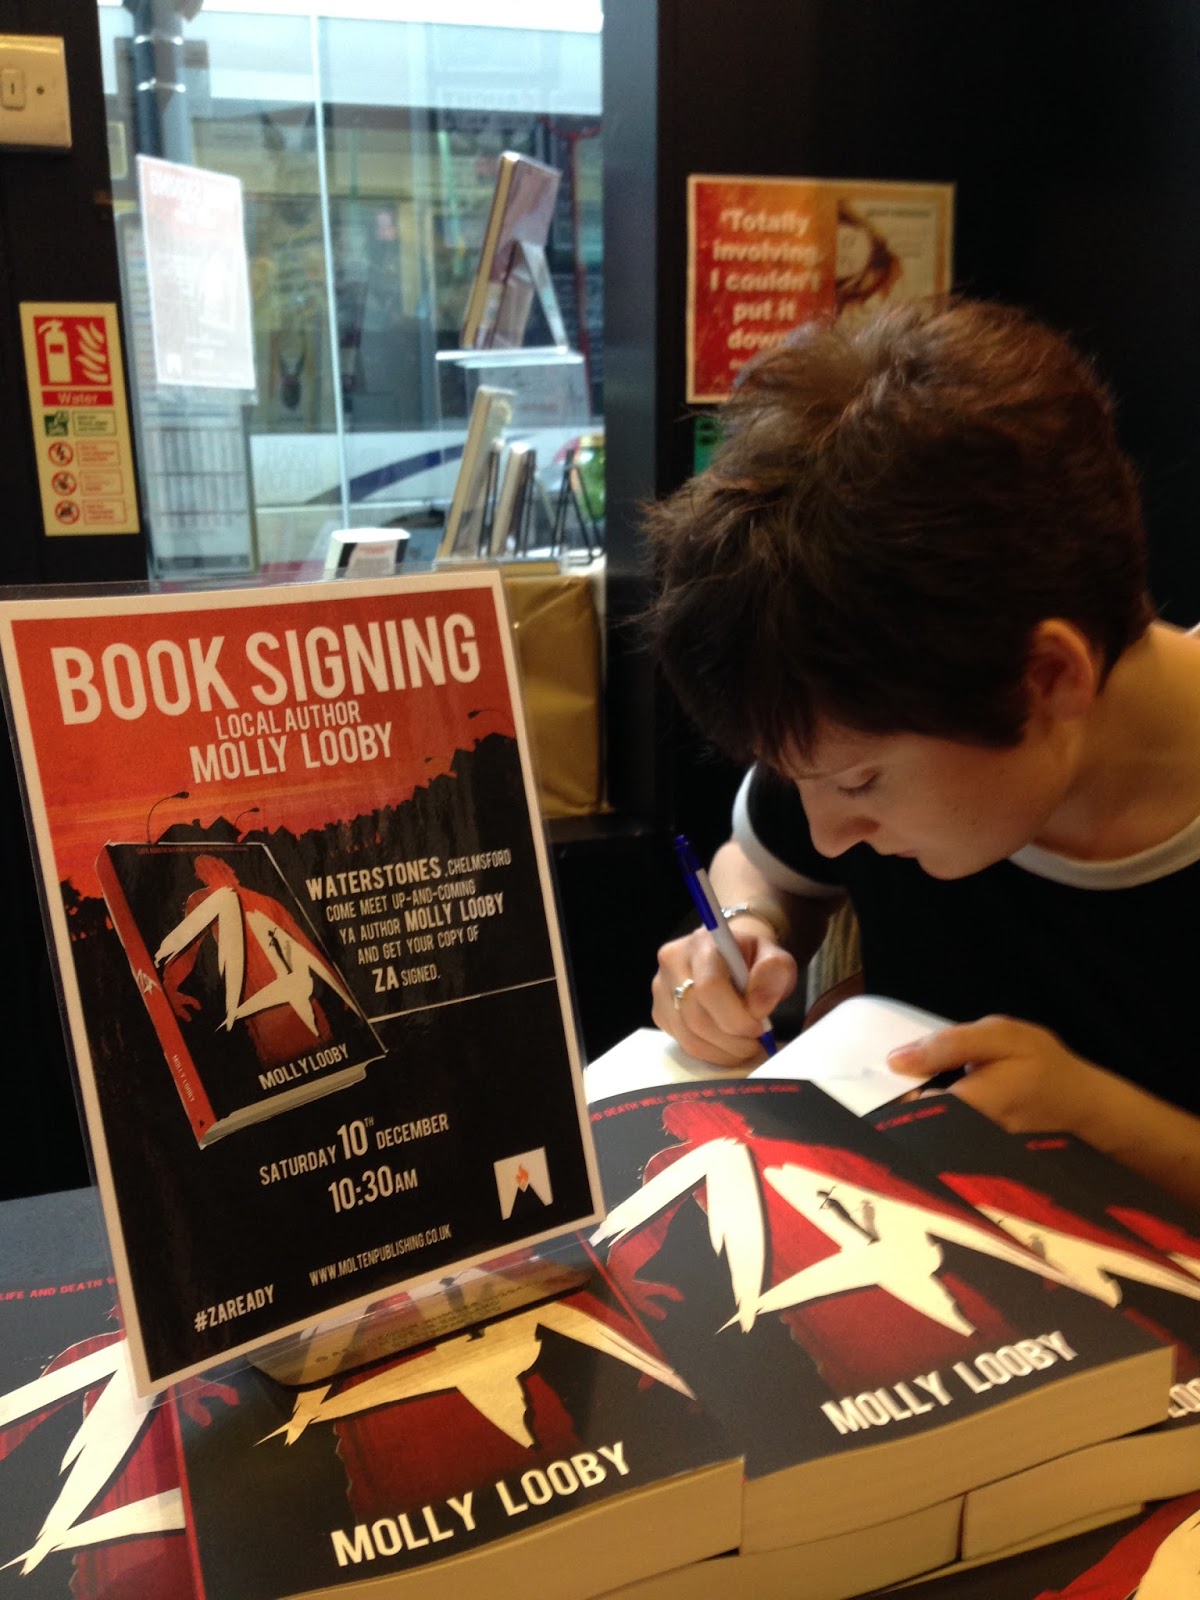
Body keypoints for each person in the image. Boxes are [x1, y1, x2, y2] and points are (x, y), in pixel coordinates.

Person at [644, 296, 1200, 1208]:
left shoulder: (920, 679)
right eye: (802, 780)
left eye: (861, 783)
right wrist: (745, 933)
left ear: (1048, 678)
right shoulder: (870, 702)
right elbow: (769, 863)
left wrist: (1108, 1128)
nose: (830, 834)